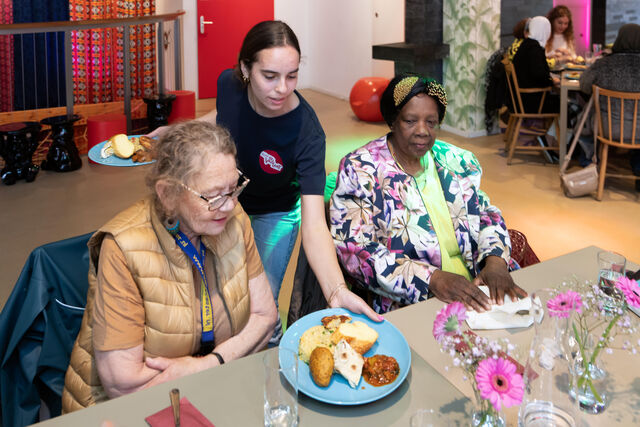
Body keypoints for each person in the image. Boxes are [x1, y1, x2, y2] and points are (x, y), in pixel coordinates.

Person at [152, 21, 380, 343]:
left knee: (261, 307)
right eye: (270, 76)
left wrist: (336, 290)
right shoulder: (228, 85)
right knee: (215, 293)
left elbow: (314, 225)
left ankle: (270, 363)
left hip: (275, 215)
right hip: (229, 203)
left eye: (292, 76)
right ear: (246, 68)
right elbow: (224, 116)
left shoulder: (307, 133)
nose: (282, 89)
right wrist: (177, 131)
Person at [61, 121, 278, 411]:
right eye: (213, 195)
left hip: (213, 385)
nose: (228, 205)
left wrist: (210, 364)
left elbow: (265, 317)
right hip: (121, 409)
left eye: (234, 187)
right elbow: (122, 382)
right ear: (168, 194)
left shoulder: (233, 217)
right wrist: (224, 359)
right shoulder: (124, 248)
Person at [329, 75, 527, 314]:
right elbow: (354, 250)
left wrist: (495, 262)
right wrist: (431, 279)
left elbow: (487, 214)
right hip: (414, 302)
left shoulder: (457, 160)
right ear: (392, 120)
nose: (423, 131)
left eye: (431, 122)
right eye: (410, 121)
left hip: (479, 287)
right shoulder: (360, 169)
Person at [578, 23, 640, 184]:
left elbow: (584, 85)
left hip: (607, 127)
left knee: (587, 113)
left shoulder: (604, 64)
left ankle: (588, 161)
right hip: (639, 130)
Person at [512, 16, 560, 114]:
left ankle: (553, 129)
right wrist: (552, 82)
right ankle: (557, 129)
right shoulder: (535, 49)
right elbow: (538, 75)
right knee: (565, 104)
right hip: (530, 101)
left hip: (520, 99)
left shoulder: (527, 44)